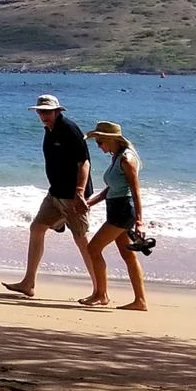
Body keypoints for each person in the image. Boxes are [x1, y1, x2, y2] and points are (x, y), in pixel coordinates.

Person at [3, 94, 101, 299]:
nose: (43, 115)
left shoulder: (69, 130)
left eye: (47, 111)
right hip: (55, 193)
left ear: (57, 111)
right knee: (36, 228)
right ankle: (28, 283)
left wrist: (80, 193)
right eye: (40, 111)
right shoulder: (49, 130)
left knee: (82, 240)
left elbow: (84, 163)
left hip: (72, 196)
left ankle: (100, 291)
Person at [78, 121, 150, 311]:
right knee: (128, 256)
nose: (99, 146)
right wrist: (89, 204)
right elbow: (110, 189)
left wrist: (140, 222)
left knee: (93, 248)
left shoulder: (127, 159)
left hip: (123, 211)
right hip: (116, 208)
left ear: (110, 139)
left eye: (100, 142)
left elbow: (135, 191)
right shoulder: (116, 157)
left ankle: (101, 295)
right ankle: (140, 301)